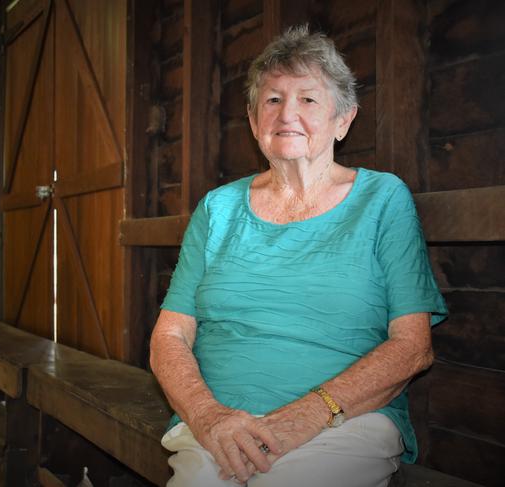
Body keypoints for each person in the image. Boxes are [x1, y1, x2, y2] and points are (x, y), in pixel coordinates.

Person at [149, 24, 448, 487]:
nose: (288, 112)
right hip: (219, 426)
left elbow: (412, 347)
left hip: (341, 423)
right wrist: (209, 416)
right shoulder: (218, 208)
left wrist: (307, 415)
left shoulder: (383, 200)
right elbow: (169, 336)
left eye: (308, 99)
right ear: (253, 121)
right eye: (272, 99)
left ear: (343, 119)